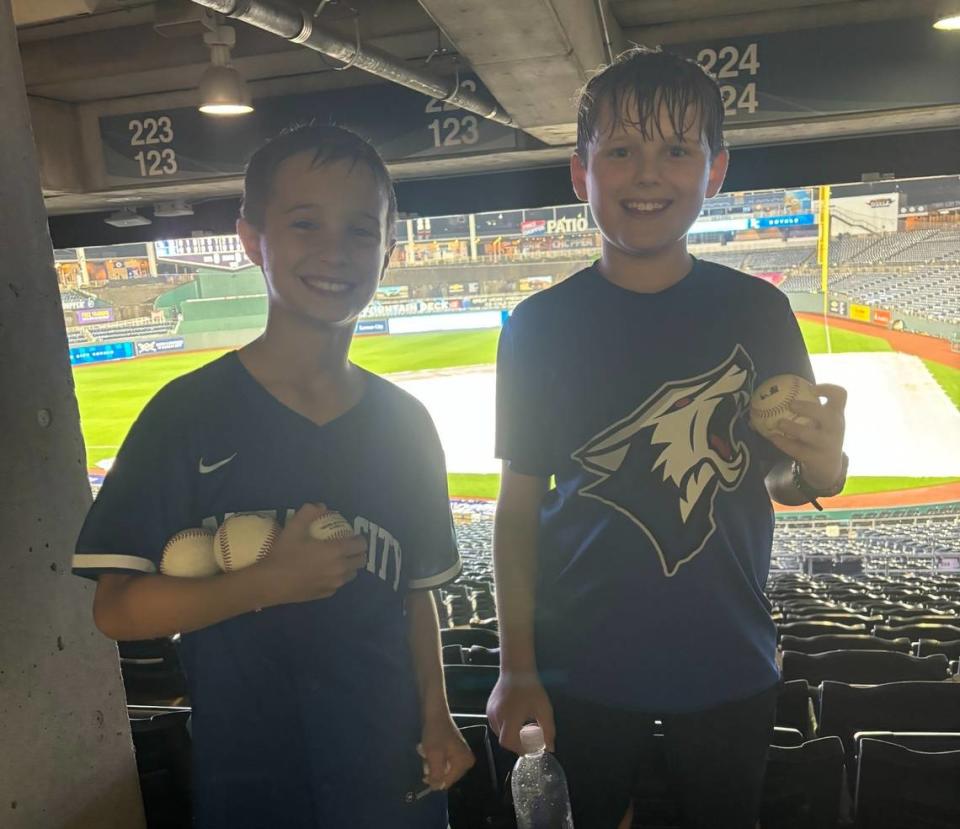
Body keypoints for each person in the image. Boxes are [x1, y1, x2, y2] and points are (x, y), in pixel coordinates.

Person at [73, 123, 474, 829]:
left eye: (360, 229)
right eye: (304, 223)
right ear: (252, 239)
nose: (334, 250)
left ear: (390, 246)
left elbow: (416, 597)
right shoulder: (185, 414)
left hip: (389, 764)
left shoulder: (407, 423)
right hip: (250, 770)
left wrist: (439, 718)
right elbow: (116, 609)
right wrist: (267, 583)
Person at [487, 47, 848, 829]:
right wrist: (517, 665)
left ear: (714, 171)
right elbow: (518, 509)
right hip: (579, 665)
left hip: (728, 658)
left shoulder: (758, 311)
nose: (647, 174)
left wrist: (825, 466)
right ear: (581, 174)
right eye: (620, 151)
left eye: (675, 150)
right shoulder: (540, 328)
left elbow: (780, 478)